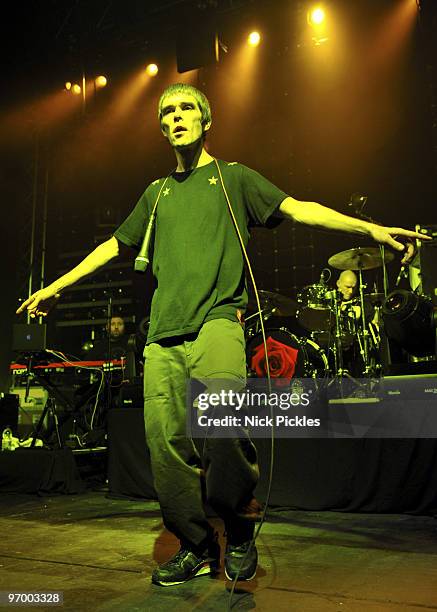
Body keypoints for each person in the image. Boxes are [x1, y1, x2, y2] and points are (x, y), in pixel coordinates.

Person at [16, 83, 425, 586]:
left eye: (186, 107)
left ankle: (239, 522)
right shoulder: (157, 193)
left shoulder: (233, 179)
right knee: (165, 447)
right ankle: (196, 544)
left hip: (217, 321)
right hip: (163, 334)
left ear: (206, 120)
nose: (176, 116)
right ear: (161, 127)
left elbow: (299, 207)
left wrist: (370, 229)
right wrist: (56, 285)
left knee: (224, 424)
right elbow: (112, 246)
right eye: (167, 111)